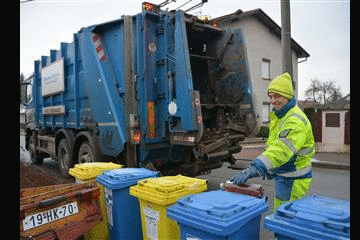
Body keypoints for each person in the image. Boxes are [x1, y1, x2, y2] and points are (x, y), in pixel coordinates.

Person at [230, 72, 315, 210]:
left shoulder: (294, 120)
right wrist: (270, 168)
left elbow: (281, 150)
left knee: (285, 218)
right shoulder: (282, 116)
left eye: (277, 96)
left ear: (287, 96)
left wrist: (257, 167)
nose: (273, 100)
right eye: (271, 96)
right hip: (286, 176)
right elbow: (274, 146)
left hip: (293, 180)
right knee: (281, 214)